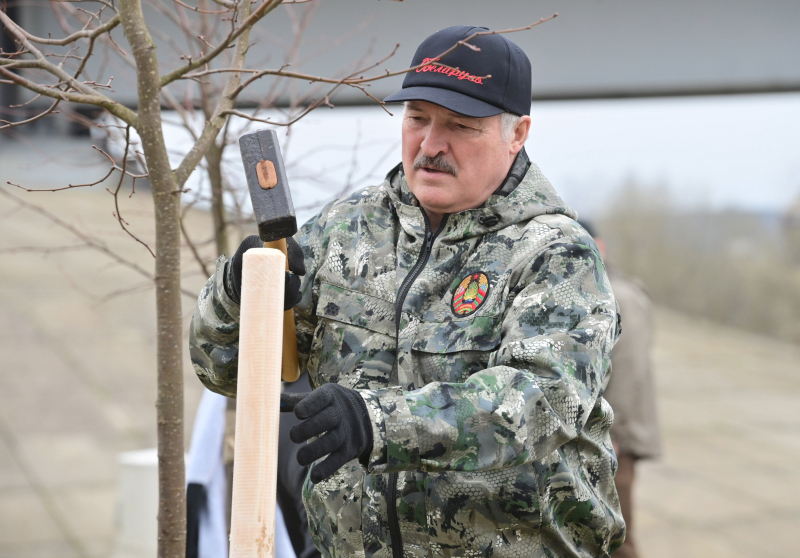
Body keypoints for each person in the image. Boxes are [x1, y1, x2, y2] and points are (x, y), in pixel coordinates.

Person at [190, 26, 625, 558]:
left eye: (461, 126)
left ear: (518, 134)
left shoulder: (556, 254)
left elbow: (538, 407)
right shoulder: (344, 231)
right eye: (418, 118)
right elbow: (225, 372)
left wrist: (376, 422)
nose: (431, 144)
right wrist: (238, 295)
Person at [580, 222, 661, 558]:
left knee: (618, 539)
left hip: (617, 440)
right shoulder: (596, 289)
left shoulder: (619, 295)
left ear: (599, 245)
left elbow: (627, 372)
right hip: (608, 436)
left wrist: (610, 433)